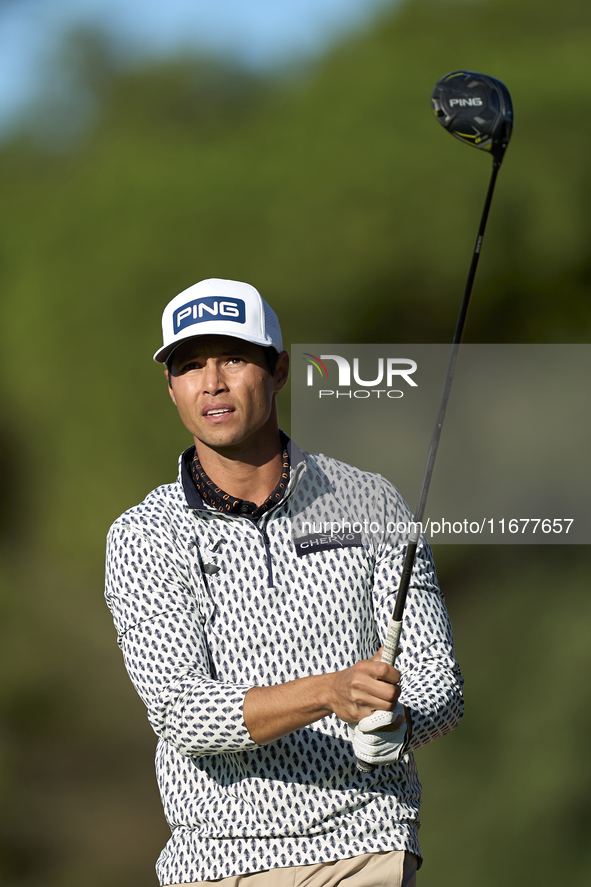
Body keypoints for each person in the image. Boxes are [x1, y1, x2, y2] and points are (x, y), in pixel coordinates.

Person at [105, 278, 464, 887]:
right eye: (190, 367)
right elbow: (183, 713)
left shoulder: (370, 501)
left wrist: (397, 720)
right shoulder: (144, 534)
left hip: (368, 845)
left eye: (235, 358)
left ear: (279, 371)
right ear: (172, 389)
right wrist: (330, 692)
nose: (212, 383)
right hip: (221, 862)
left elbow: (439, 681)